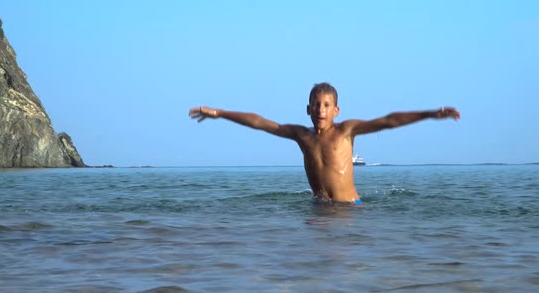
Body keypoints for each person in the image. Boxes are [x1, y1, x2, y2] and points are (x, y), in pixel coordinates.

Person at [189, 82, 460, 204]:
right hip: (319, 210)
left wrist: (429, 114)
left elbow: (389, 121)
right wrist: (220, 113)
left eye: (327, 105)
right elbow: (260, 122)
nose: (321, 110)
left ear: (336, 110)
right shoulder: (301, 135)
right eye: (316, 105)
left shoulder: (346, 131)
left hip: (350, 210)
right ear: (308, 109)